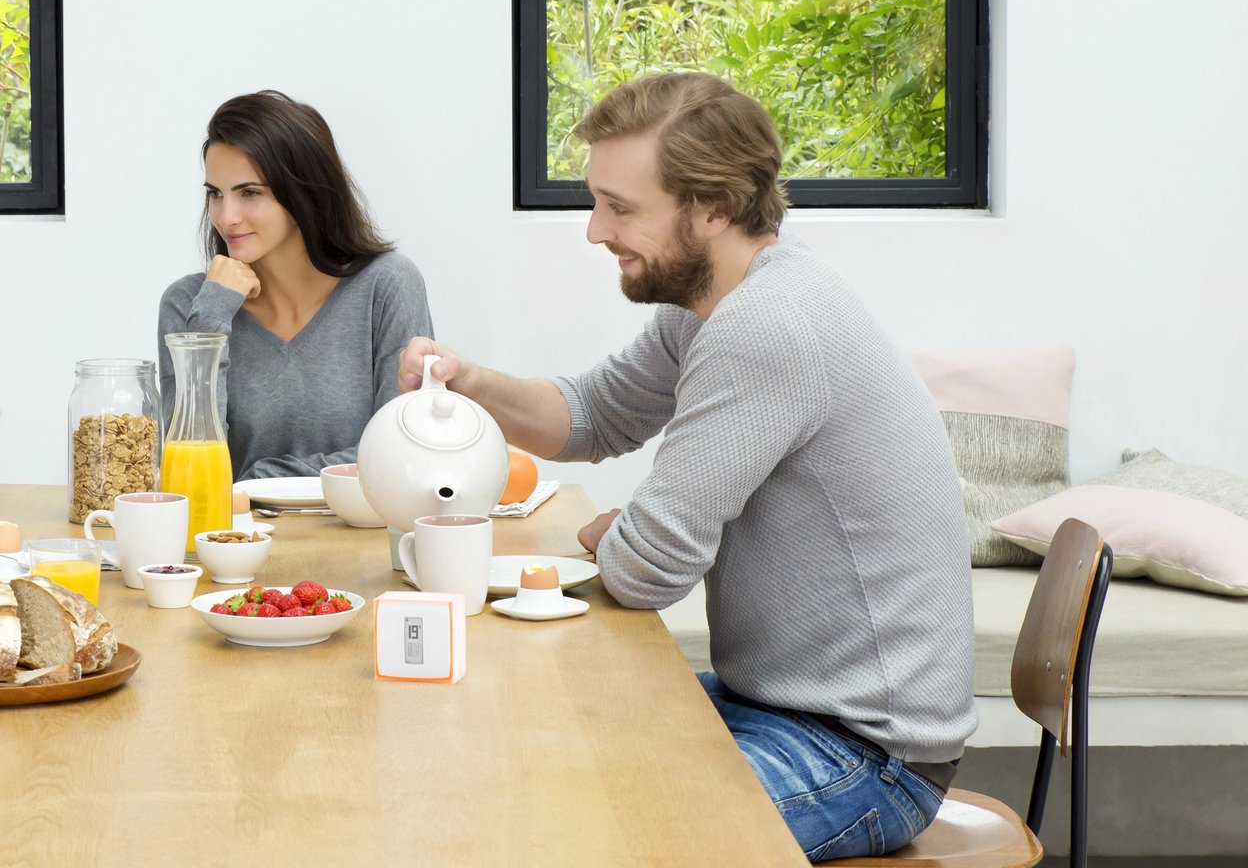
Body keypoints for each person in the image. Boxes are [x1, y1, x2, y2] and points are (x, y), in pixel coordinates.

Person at [400, 73, 974, 862]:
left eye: (621, 207)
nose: (595, 231)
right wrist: (469, 382)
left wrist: (619, 537)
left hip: (863, 755)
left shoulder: (765, 326)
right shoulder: (715, 302)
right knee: (528, 745)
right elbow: (595, 414)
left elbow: (649, 569)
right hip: (772, 708)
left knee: (578, 832)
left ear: (714, 208)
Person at [157, 90, 433, 480]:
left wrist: (263, 479)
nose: (226, 216)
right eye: (215, 194)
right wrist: (212, 318)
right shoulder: (190, 304)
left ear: (305, 192)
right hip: (233, 524)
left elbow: (403, 452)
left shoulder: (387, 286)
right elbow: (188, 474)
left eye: (250, 193)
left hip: (357, 522)